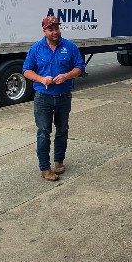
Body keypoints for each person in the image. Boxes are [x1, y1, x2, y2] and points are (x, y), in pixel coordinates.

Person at [22, 16, 85, 181]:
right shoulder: (36, 48)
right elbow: (27, 70)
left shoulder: (69, 47)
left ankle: (59, 161)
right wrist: (42, 79)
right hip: (43, 98)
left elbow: (79, 67)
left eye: (57, 28)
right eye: (51, 29)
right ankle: (45, 168)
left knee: (62, 130)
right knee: (43, 132)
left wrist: (66, 76)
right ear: (44, 30)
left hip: (64, 96)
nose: (55, 32)